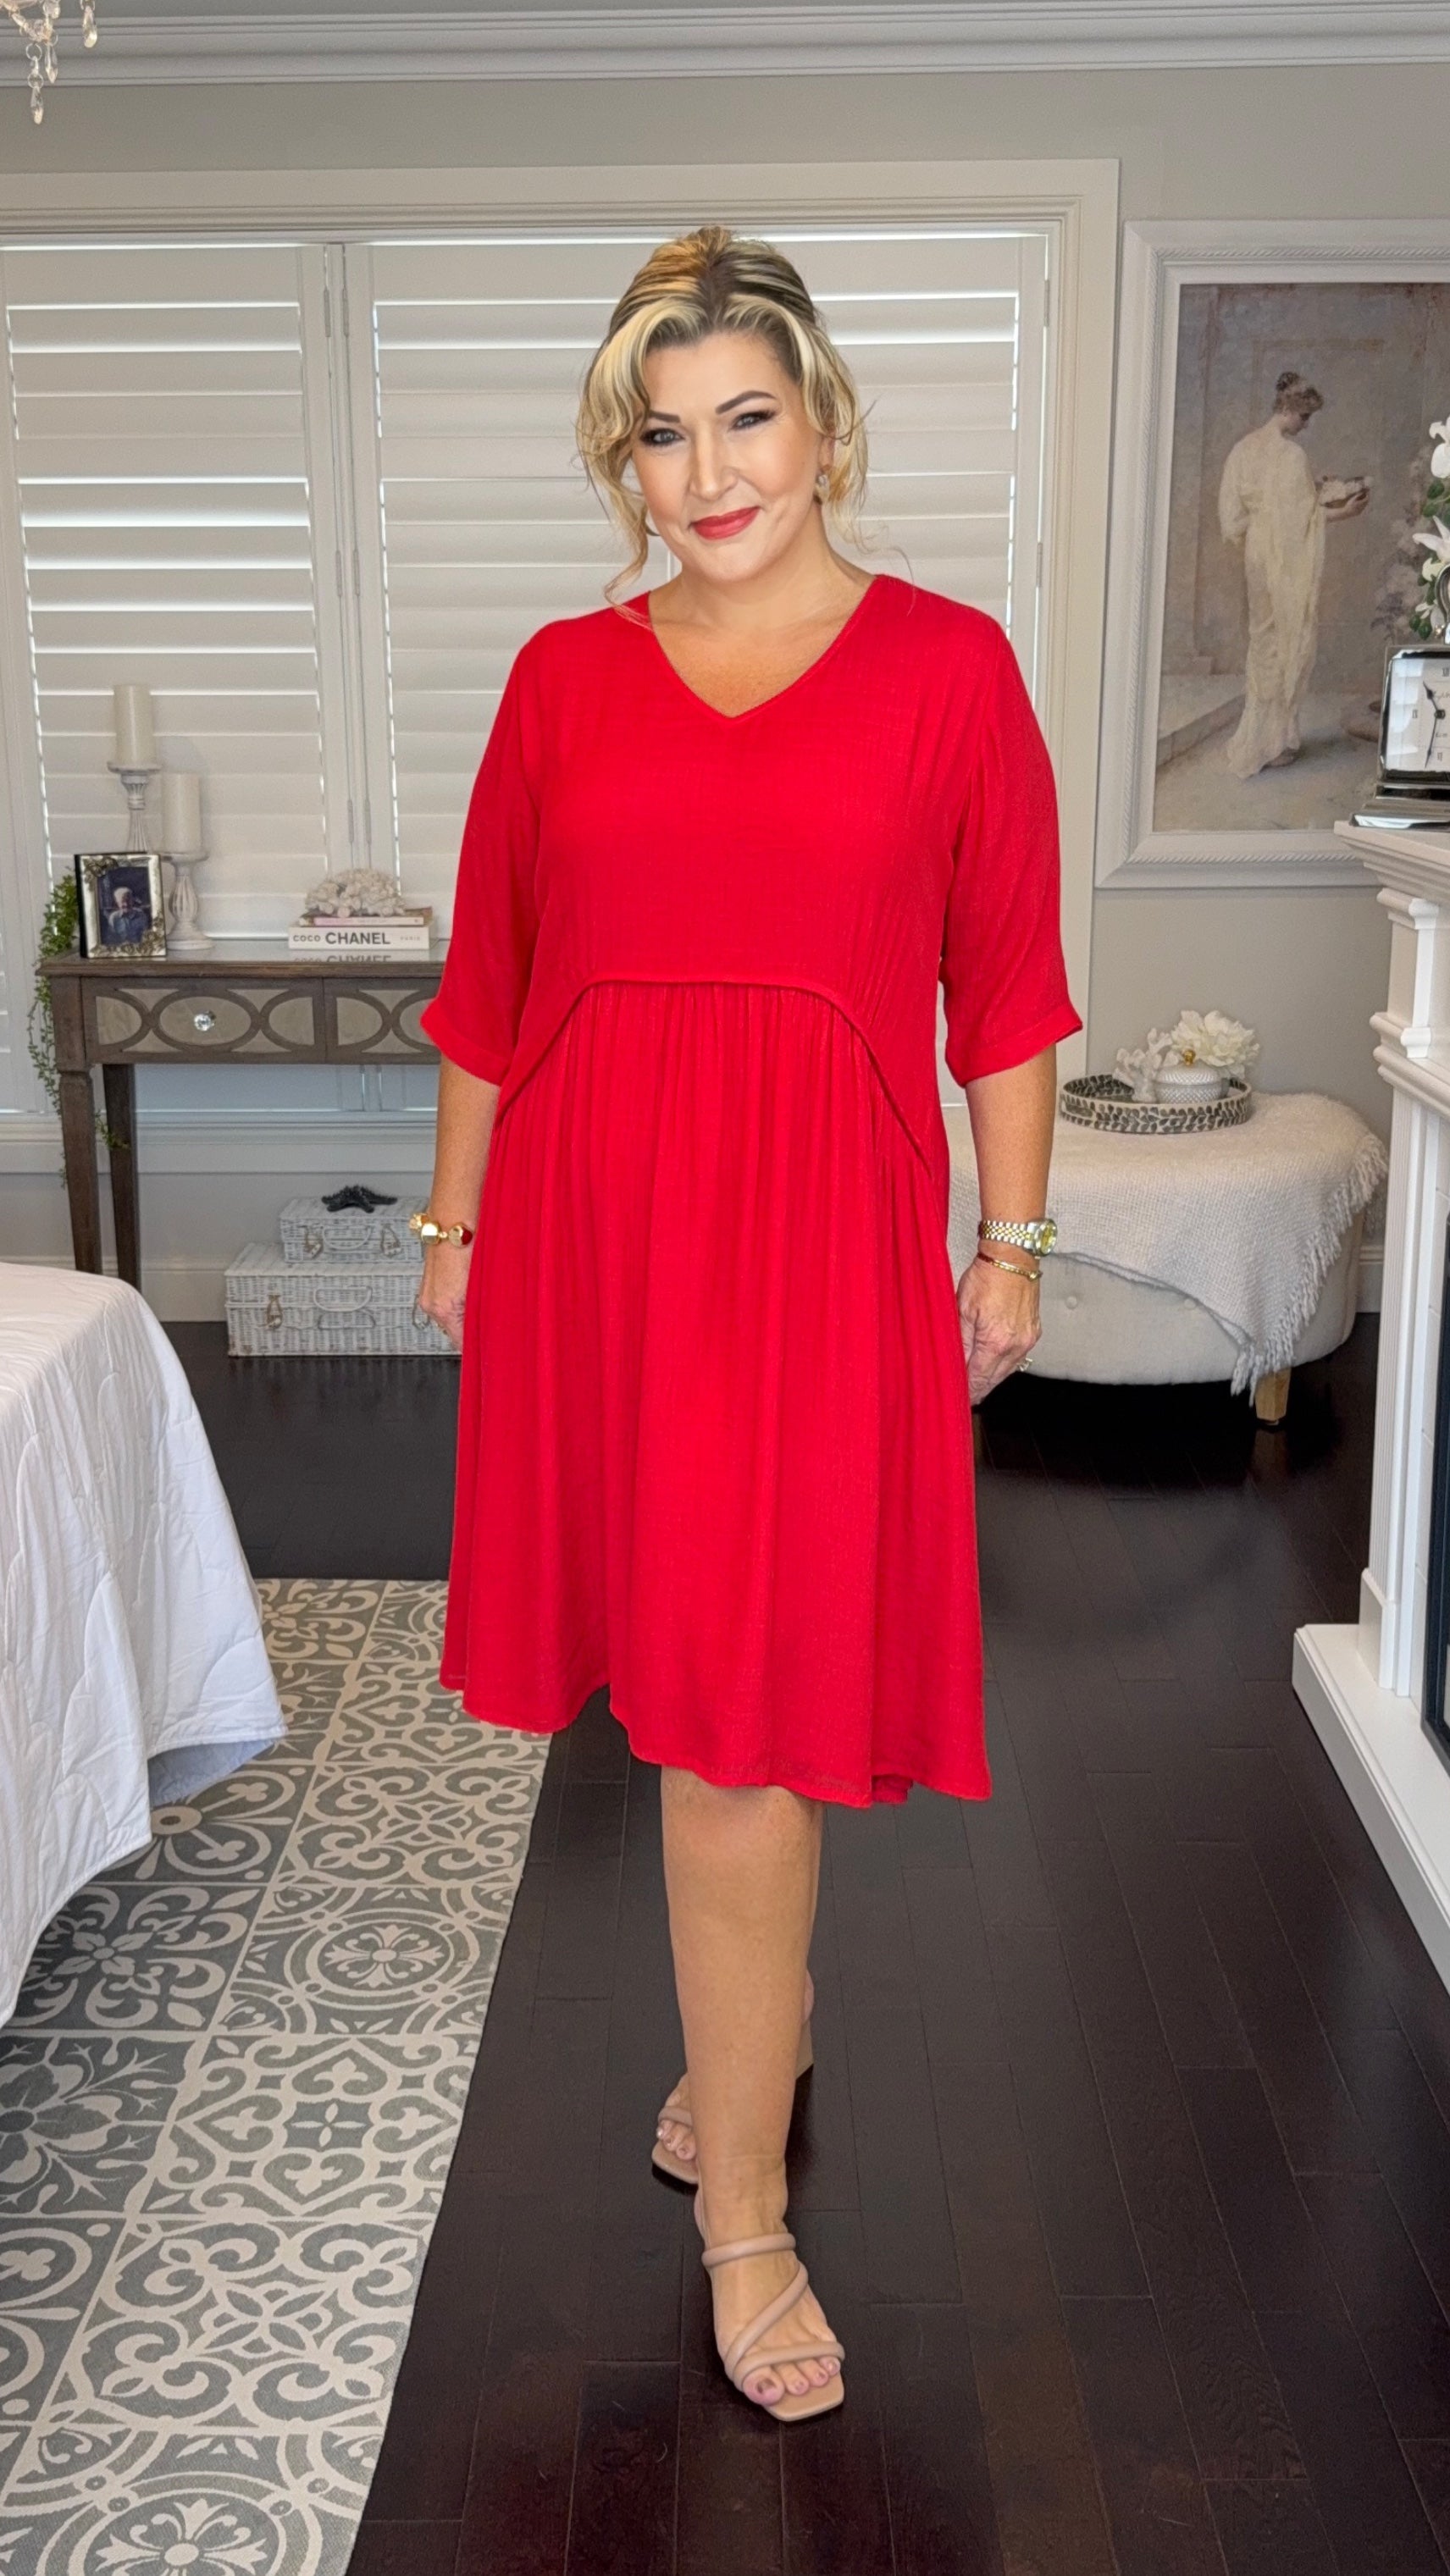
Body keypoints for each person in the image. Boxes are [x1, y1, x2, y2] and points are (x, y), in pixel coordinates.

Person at [415, 225, 1081, 2424]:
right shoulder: (560, 679)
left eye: (746, 421)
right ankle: (746, 2132)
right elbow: (491, 982)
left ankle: (746, 2151)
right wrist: (453, 1220)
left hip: (819, 1247)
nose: (707, 475)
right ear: (622, 462)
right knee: (705, 1712)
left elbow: (1008, 991)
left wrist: (1012, 1239)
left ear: (826, 425)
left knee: (758, 1716)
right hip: (597, 1236)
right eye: (660, 436)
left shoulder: (951, 672)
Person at [1217, 368, 1370, 780]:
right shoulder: (1291, 456)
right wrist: (1345, 511)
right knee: (1289, 637)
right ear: (1288, 410)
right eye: (1305, 417)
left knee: (1263, 639)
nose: (1306, 426)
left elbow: (1233, 519)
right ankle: (1273, 741)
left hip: (1257, 553)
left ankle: (1262, 738)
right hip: (1284, 557)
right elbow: (1301, 519)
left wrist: (1290, 508)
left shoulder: (1244, 449)